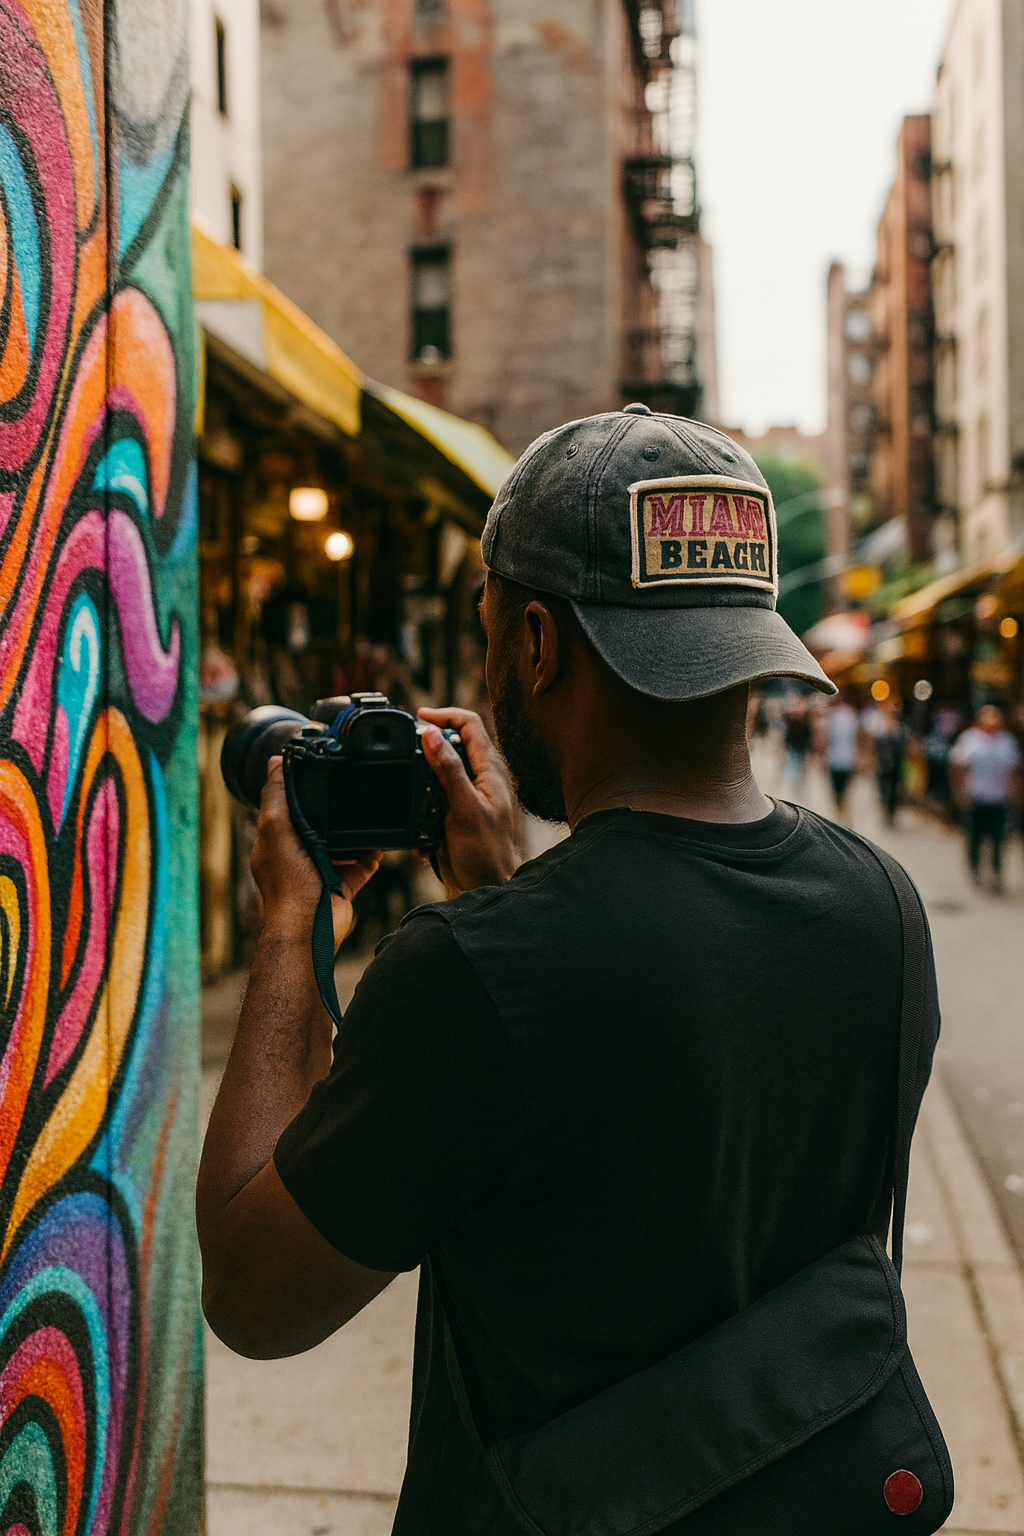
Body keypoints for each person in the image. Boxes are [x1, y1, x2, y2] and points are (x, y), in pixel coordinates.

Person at [196, 408, 939, 1535]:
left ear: (538, 644)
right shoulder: (883, 908)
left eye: (491, 627)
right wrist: (507, 896)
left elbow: (255, 1296)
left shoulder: (478, 973)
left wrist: (292, 919)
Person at [949, 704, 1022, 892]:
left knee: (998, 839)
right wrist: (960, 791)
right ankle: (975, 869)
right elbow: (958, 765)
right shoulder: (970, 738)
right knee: (975, 836)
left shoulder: (1007, 742)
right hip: (977, 797)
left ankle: (996, 873)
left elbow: (1013, 771)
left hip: (998, 799)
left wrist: (1015, 794)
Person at [821, 689, 859, 824]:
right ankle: (845, 816)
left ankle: (841, 816)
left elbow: (825, 739)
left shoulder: (832, 716)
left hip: (836, 759)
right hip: (848, 758)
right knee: (845, 791)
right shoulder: (851, 714)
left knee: (837, 791)